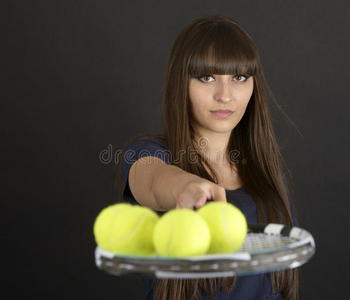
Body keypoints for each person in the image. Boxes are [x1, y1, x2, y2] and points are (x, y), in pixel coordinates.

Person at [119, 16, 299, 300]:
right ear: (182, 83)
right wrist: (185, 188)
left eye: (239, 78)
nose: (225, 95)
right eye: (207, 77)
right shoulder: (148, 152)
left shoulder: (265, 174)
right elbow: (154, 182)